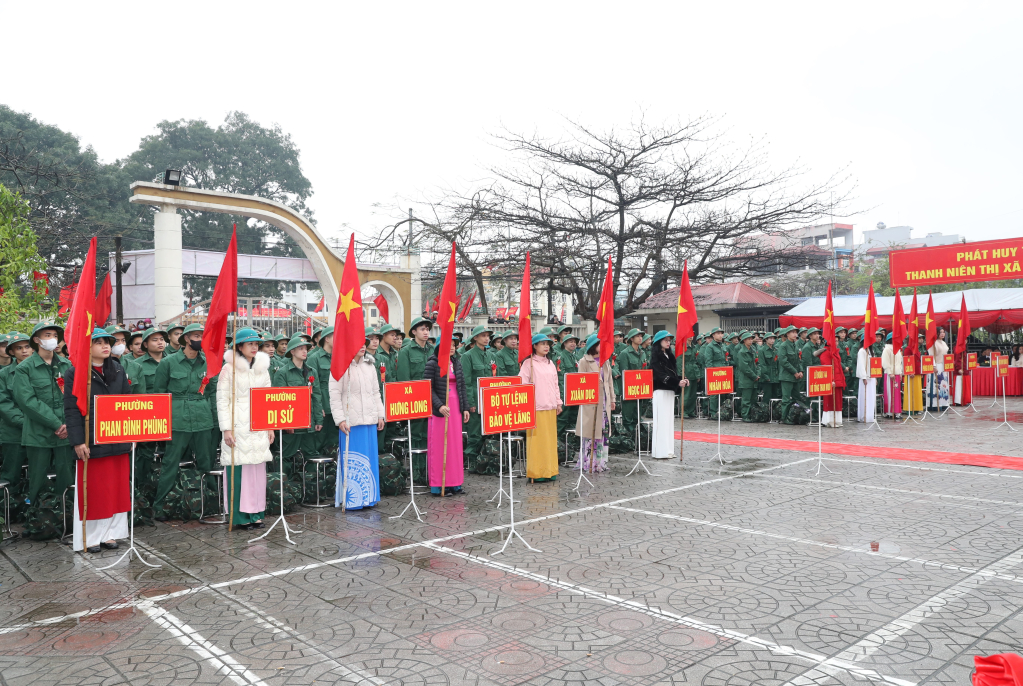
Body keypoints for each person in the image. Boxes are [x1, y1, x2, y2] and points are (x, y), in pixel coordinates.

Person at [63, 328, 132, 553]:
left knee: (116, 489)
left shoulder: (118, 369)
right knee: (95, 490)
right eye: (99, 342)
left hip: (117, 436)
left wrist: (132, 433)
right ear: (87, 346)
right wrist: (78, 441)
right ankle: (90, 537)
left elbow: (127, 402)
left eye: (107, 342)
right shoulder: (75, 373)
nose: (105, 346)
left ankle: (111, 534)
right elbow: (72, 409)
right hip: (91, 439)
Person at [151, 323, 215, 520]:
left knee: (206, 461)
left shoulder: (208, 363)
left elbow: (212, 392)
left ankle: (211, 502)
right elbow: (159, 394)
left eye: (203, 337)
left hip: (203, 417)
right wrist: (161, 423)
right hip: (177, 418)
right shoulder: (168, 362)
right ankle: (160, 506)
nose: (200, 340)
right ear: (186, 339)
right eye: (197, 336)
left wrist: (214, 419)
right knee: (170, 463)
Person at [217, 328, 274, 530]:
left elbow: (267, 399)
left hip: (258, 426)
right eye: (250, 344)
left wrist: (270, 426)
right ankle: (239, 517)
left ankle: (256, 514)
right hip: (237, 426)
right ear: (239, 347)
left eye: (256, 344)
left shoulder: (263, 369)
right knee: (239, 470)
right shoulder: (228, 369)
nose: (254, 347)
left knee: (257, 471)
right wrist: (226, 429)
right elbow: (222, 400)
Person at [13, 322, 73, 507]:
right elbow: (27, 401)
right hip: (38, 433)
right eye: (47, 335)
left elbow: (74, 396)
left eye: (55, 335)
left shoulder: (67, 364)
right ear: (37, 340)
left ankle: (66, 514)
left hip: (66, 432)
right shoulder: (25, 368)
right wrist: (56, 424)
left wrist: (68, 424)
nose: (52, 339)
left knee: (67, 478)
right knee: (38, 479)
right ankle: (37, 515)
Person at [329, 337, 384, 508]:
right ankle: (354, 500)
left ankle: (369, 497)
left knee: (369, 460)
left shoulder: (370, 365)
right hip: (351, 423)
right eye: (357, 343)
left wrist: (380, 415)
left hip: (369, 421)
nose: (363, 346)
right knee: (354, 462)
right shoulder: (340, 366)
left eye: (364, 343)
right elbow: (334, 395)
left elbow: (376, 392)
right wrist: (340, 419)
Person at [423, 335, 469, 495]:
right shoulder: (432, 363)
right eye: (448, 344)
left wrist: (465, 407)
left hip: (455, 409)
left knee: (455, 446)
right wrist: (439, 405)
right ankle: (439, 485)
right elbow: (427, 388)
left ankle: (455, 483)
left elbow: (462, 386)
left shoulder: (456, 363)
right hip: (440, 410)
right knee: (440, 446)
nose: (452, 347)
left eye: (454, 345)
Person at [272, 336, 323, 475]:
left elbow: (316, 396)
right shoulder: (282, 373)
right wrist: (286, 423)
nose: (305, 351)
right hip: (292, 424)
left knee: (311, 455)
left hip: (309, 422)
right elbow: (280, 400)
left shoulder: (311, 371)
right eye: (300, 349)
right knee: (286, 456)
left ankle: (310, 484)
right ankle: (285, 484)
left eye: (306, 348)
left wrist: (319, 419)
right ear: (292, 352)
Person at [518, 334, 562, 482]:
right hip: (536, 407)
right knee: (537, 442)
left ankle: (550, 470)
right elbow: (522, 384)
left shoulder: (550, 363)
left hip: (550, 406)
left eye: (547, 344)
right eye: (542, 343)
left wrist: (558, 402)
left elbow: (555, 384)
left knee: (550, 441)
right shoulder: (528, 363)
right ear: (534, 346)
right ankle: (537, 472)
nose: (546, 346)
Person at [396, 317, 432, 483]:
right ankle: (417, 473)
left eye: (427, 329)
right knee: (417, 437)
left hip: (433, 400)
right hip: (415, 401)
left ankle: (430, 471)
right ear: (414, 332)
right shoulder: (406, 351)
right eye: (422, 329)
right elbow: (404, 379)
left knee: (431, 436)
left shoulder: (433, 350)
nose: (426, 332)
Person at [0, 333, 32, 504]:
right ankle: (8, 510)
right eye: (19, 348)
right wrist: (27, 423)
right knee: (10, 476)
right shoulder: (4, 374)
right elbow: (4, 405)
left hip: (41, 434)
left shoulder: (43, 370)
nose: (24, 351)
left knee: (38, 475)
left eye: (27, 346)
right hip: (14, 434)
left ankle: (35, 511)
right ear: (11, 352)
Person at [576, 334, 614, 471]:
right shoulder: (584, 361)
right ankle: (588, 462)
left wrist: (613, 399)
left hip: (605, 402)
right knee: (591, 432)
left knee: (603, 432)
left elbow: (609, 382)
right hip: (591, 403)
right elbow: (580, 382)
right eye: (599, 344)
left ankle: (601, 462)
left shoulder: (605, 361)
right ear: (593, 346)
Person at [460, 325, 493, 473]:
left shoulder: (490, 355)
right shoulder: (467, 356)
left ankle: (483, 462)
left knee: (487, 433)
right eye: (483, 335)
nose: (486, 338)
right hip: (476, 400)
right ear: (475, 338)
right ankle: (472, 462)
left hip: (488, 401)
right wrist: (470, 403)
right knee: (474, 433)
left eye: (488, 336)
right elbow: (466, 382)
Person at [650, 331, 683, 456]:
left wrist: (681, 379)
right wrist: (677, 382)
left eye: (669, 340)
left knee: (669, 421)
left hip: (669, 390)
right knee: (661, 421)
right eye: (666, 340)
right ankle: (660, 451)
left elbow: (673, 373)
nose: (668, 342)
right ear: (659, 342)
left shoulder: (669, 355)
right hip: (660, 390)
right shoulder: (656, 357)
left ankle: (669, 450)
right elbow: (660, 375)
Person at [309, 326, 337, 456]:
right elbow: (313, 387)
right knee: (319, 442)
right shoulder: (314, 358)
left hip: (337, 406)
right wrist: (318, 408)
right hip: (323, 406)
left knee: (335, 442)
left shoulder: (339, 357)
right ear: (327, 339)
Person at [556, 332, 580, 461]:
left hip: (575, 394)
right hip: (565, 394)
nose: (573, 344)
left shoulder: (574, 357)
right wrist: (563, 394)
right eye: (570, 341)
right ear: (564, 343)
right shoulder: (561, 357)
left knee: (573, 420)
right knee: (562, 421)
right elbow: (561, 377)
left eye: (574, 342)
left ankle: (570, 447)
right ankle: (558, 445)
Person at [617, 329, 645, 437]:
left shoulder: (642, 353)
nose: (640, 338)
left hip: (640, 389)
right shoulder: (625, 353)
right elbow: (624, 373)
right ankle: (628, 438)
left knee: (637, 416)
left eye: (641, 336)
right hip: (629, 390)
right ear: (631, 339)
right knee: (628, 418)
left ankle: (636, 437)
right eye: (637, 336)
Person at [776, 326, 803, 424]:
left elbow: (799, 360)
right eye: (792, 332)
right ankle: (784, 418)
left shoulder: (795, 345)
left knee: (797, 398)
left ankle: (795, 416)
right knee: (786, 399)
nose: (795, 334)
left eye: (796, 332)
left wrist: (801, 371)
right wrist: (795, 372)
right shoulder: (783, 346)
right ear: (787, 334)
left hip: (796, 376)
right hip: (787, 376)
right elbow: (783, 361)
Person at [736, 332, 761, 421]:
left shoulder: (753, 350)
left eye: (751, 339)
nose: (751, 340)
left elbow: (758, 363)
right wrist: (754, 376)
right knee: (746, 400)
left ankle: (752, 415)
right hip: (746, 379)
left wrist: (758, 374)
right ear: (744, 340)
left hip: (754, 379)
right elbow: (744, 367)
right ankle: (745, 415)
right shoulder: (742, 352)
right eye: (749, 339)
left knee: (753, 399)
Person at [927, 327, 951, 411]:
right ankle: (934, 404)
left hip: (944, 366)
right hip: (936, 365)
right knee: (936, 385)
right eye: (940, 332)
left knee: (944, 386)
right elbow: (931, 355)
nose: (942, 334)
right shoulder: (933, 343)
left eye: (943, 332)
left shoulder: (944, 343)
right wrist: (934, 366)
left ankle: (944, 403)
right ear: (936, 333)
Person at [881, 332, 904, 418]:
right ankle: (889, 412)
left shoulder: (898, 349)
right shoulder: (887, 349)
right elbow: (885, 362)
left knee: (897, 394)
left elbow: (899, 362)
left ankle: (897, 412)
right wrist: (890, 372)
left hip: (897, 373)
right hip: (890, 374)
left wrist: (900, 372)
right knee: (890, 393)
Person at [855, 336, 878, 423]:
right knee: (865, 397)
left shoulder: (871, 351)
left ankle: (870, 416)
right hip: (865, 378)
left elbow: (874, 365)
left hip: (871, 377)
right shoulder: (862, 351)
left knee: (871, 397)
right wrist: (864, 377)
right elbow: (861, 365)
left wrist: (875, 377)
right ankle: (864, 416)